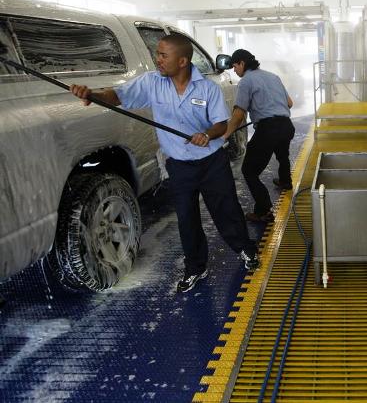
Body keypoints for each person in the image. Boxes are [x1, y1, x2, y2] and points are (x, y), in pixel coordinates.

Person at [69, 33, 259, 293]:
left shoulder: (207, 88)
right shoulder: (151, 82)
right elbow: (118, 96)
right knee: (186, 219)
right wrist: (92, 95)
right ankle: (196, 267)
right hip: (179, 165)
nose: (157, 59)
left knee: (226, 210)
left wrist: (206, 135)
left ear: (182, 61)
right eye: (157, 53)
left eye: (162, 55)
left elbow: (221, 124)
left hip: (212, 162)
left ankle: (245, 249)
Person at [224, 49, 295, 224]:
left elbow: (239, 114)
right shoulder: (273, 76)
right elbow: (289, 103)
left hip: (268, 129)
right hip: (286, 126)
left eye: (234, 66)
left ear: (241, 63)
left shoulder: (245, 82)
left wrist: (225, 135)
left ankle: (263, 211)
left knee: (249, 171)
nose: (234, 71)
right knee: (282, 153)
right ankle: (286, 181)